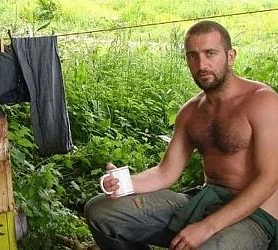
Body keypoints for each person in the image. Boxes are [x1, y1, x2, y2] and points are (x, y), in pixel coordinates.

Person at [84, 20, 278, 250]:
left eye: (210, 53)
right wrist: (125, 183)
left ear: (230, 56)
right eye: (192, 56)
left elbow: (270, 180)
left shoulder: (262, 101)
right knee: (101, 211)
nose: (202, 64)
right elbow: (166, 172)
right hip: (204, 201)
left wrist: (207, 227)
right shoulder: (191, 112)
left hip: (255, 214)